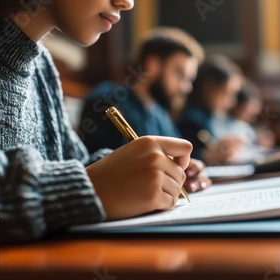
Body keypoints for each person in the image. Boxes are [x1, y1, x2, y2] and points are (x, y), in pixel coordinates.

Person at [0, 0, 200, 243]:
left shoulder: (42, 66)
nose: (127, 3)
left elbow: (72, 162)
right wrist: (86, 188)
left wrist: (155, 172)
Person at [80, 27, 210, 192]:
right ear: (153, 64)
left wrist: (189, 170)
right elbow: (103, 168)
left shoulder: (160, 113)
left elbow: (177, 160)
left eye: (189, 80)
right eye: (180, 74)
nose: (186, 88)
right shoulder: (106, 101)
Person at [178, 55, 244, 165]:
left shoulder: (210, 117)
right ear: (209, 88)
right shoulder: (191, 121)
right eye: (227, 93)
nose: (232, 102)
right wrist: (208, 155)